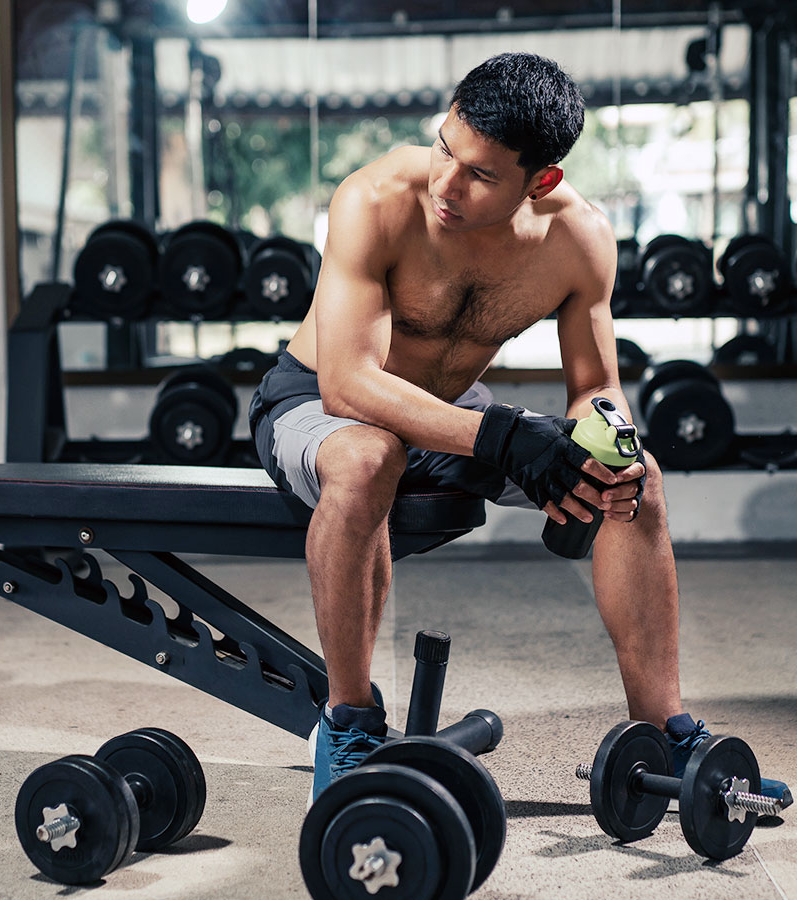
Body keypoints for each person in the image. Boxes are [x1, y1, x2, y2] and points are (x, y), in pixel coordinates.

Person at [249, 52, 791, 809]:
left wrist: (602, 447)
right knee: (369, 459)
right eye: (445, 146)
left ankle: (667, 736)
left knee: (636, 482)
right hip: (322, 400)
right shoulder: (374, 200)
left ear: (543, 181)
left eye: (481, 174)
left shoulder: (578, 241)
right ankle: (348, 721)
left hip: (449, 409)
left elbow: (597, 387)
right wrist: (503, 437)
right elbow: (349, 382)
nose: (447, 182)